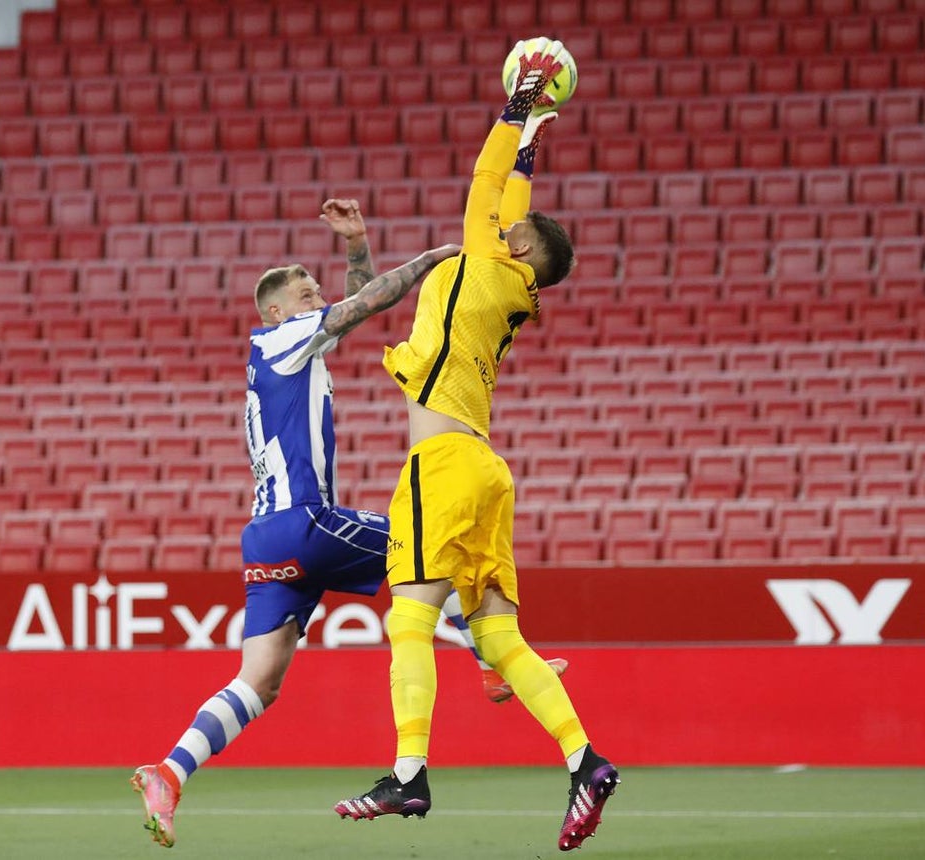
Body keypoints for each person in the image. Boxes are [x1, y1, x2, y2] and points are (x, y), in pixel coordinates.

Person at [130, 201, 538, 849]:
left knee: (258, 681)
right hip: (305, 522)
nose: (317, 296)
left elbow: (352, 306)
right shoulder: (278, 338)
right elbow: (367, 305)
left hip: (266, 541)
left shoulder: (280, 354)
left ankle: (170, 773)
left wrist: (356, 245)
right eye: (305, 293)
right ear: (276, 311)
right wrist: (431, 262)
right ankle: (494, 659)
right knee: (427, 538)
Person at [333, 40, 619, 852]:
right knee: (497, 637)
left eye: (513, 227)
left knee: (409, 624)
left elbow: (486, 184)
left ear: (521, 246)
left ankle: (409, 776)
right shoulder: (508, 279)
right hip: (486, 471)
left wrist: (518, 106)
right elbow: (513, 192)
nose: (502, 222)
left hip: (444, 466)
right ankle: (585, 761)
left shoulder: (489, 260)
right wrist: (534, 140)